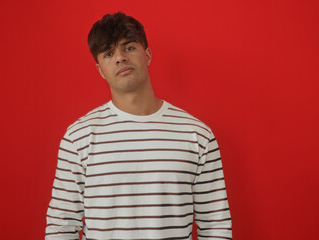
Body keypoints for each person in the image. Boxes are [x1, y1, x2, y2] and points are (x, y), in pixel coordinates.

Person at [45, 12, 232, 240]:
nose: (120, 58)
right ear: (100, 70)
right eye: (108, 53)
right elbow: (61, 226)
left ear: (148, 55)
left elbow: (215, 226)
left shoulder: (197, 136)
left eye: (129, 47)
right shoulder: (78, 138)